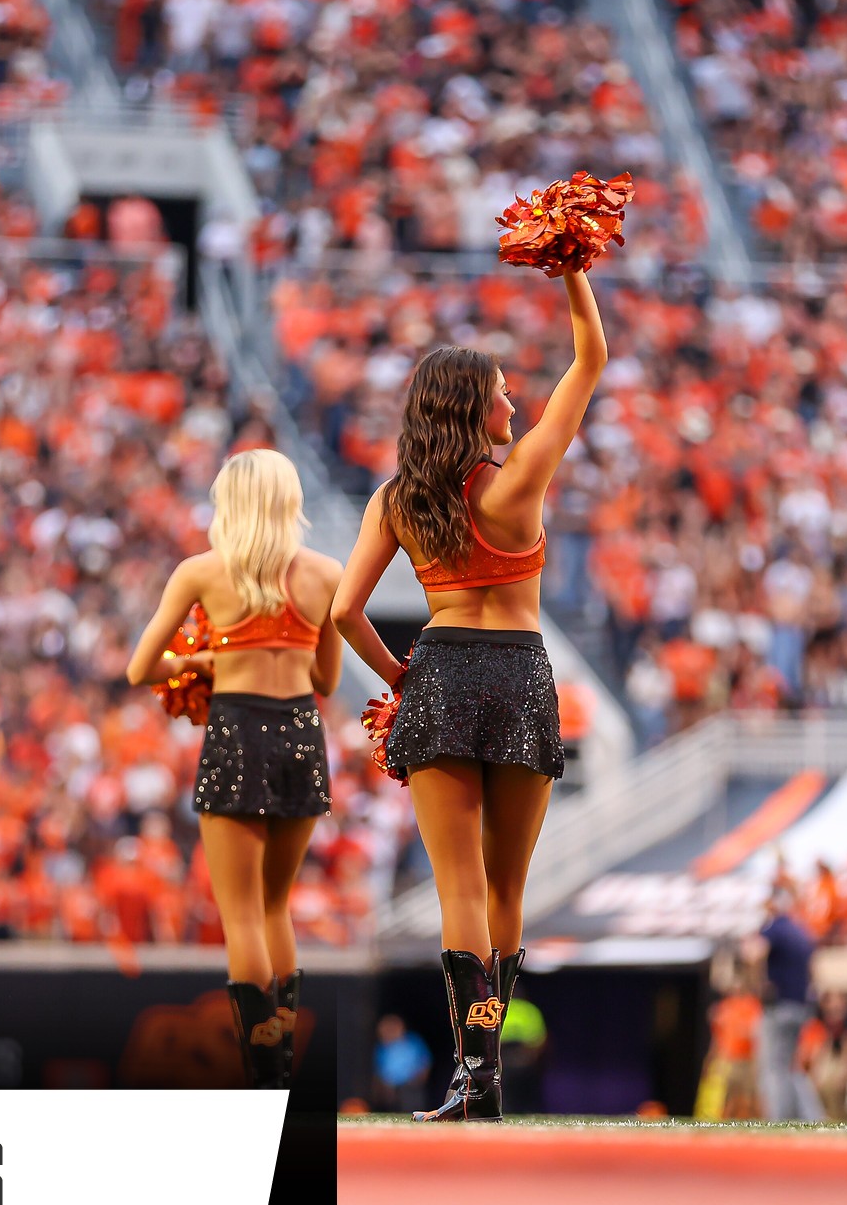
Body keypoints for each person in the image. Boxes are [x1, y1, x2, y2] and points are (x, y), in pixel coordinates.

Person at [332, 265, 605, 1121]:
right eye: (501, 391)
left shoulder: (397, 501)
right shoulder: (521, 479)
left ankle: (472, 1073)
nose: (514, 401)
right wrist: (572, 269)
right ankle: (489, 1075)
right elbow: (590, 359)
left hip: (442, 671)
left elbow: (344, 612)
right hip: (522, 673)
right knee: (506, 888)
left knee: (457, 886)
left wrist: (399, 676)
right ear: (474, 408)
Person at [128, 448, 343, 1088]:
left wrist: (199, 662)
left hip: (237, 731)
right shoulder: (327, 573)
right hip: (300, 732)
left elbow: (141, 668)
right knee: (276, 906)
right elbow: (326, 680)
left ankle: (263, 1076)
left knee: (242, 915)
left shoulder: (202, 572)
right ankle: (283, 1066)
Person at [756, 875, 821, 1121]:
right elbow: (813, 970)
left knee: (774, 1067)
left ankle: (779, 1118)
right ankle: (810, 1117)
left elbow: (754, 953)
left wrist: (759, 982)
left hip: (779, 1005)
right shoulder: (799, 930)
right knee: (791, 1066)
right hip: (800, 1005)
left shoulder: (776, 927)